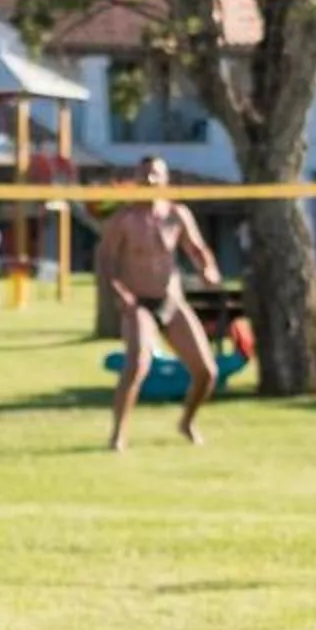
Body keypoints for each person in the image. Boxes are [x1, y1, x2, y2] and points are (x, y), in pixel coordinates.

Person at [95, 155, 223, 450]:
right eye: (144, 175)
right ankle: (118, 434)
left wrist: (208, 269)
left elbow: (198, 249)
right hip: (139, 303)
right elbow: (107, 262)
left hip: (171, 300)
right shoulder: (124, 220)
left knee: (207, 372)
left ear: (166, 179)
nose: (150, 180)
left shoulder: (177, 214)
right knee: (138, 364)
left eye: (155, 175)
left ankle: (187, 422)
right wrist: (121, 294)